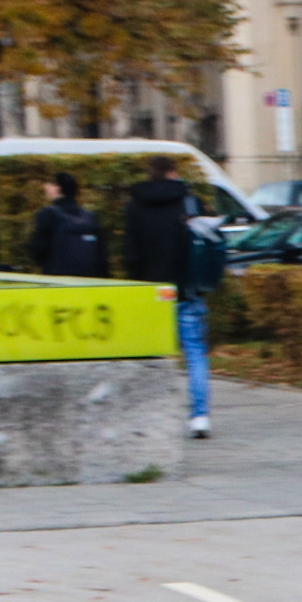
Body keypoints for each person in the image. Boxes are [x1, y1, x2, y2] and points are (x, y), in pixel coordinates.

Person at [124, 156, 213, 438]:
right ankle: (199, 416)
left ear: (150, 174)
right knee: (195, 353)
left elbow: (131, 255)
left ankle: (150, 417)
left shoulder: (134, 206)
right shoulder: (190, 204)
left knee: (152, 355)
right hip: (186, 290)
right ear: (173, 173)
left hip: (152, 292)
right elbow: (207, 246)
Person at [26, 173, 108, 276]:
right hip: (90, 276)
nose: (45, 186)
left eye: (50, 184)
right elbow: (101, 252)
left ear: (58, 188)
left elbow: (39, 248)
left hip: (58, 274)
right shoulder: (90, 216)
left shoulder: (49, 213)